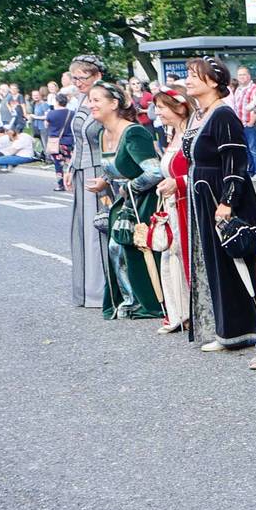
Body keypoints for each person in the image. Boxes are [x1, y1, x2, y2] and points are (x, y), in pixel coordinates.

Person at [181, 56, 256, 352]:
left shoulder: (223, 115)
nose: (188, 80)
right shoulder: (198, 115)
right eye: (188, 75)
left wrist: (228, 201)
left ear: (214, 81)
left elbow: (236, 161)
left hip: (221, 196)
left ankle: (245, 328)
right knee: (214, 262)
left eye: (194, 75)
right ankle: (223, 327)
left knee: (232, 261)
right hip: (203, 195)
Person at [89, 80, 164, 322]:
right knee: (115, 247)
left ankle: (147, 302)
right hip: (124, 200)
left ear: (114, 104)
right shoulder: (103, 133)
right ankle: (128, 300)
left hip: (145, 200)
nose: (91, 105)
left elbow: (155, 172)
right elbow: (117, 166)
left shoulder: (133, 132)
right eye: (90, 100)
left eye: (96, 100)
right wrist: (104, 181)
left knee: (123, 245)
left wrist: (129, 187)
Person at [64, 55, 111, 308]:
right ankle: (89, 291)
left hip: (99, 170)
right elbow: (79, 140)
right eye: (75, 78)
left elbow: (112, 138)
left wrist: (107, 175)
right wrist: (70, 166)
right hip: (82, 170)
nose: (78, 82)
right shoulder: (83, 100)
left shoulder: (104, 100)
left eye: (83, 77)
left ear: (97, 76)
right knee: (84, 230)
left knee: (99, 228)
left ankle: (105, 291)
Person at [154, 88, 195, 336]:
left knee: (185, 254)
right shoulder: (172, 134)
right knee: (172, 255)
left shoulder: (192, 133)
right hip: (173, 203)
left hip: (188, 203)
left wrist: (178, 182)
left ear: (179, 107)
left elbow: (201, 171)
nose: (157, 112)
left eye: (162, 107)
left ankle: (191, 310)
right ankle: (179, 311)